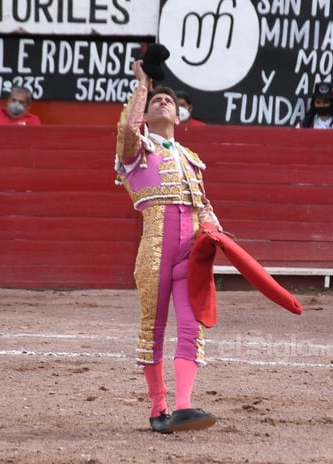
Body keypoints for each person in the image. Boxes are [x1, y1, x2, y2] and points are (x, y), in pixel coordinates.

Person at [114, 59, 221, 434]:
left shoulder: (191, 159)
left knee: (192, 328)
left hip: (190, 252)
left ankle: (184, 406)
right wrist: (142, 84)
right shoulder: (136, 150)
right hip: (155, 252)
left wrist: (213, 232)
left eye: (169, 101)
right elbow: (128, 126)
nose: (163, 103)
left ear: (180, 115)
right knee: (154, 329)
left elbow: (203, 205)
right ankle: (158, 407)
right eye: (156, 100)